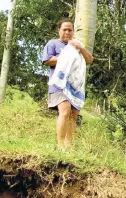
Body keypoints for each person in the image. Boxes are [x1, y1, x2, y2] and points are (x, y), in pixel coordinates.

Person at [42, 18, 94, 149]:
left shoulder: (76, 46)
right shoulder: (53, 43)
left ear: (73, 32)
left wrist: (81, 47)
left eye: (70, 30)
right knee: (65, 111)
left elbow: (89, 60)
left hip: (75, 87)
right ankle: (60, 146)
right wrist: (65, 58)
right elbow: (47, 61)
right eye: (64, 29)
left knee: (73, 115)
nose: (67, 32)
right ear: (59, 30)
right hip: (59, 85)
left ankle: (68, 146)